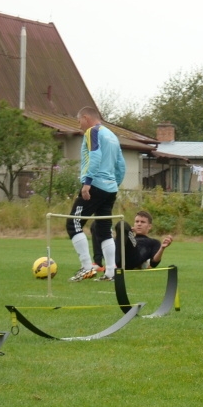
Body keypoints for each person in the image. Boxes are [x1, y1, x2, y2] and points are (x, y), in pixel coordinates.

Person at [65, 106, 125, 282]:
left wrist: (87, 183)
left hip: (95, 185)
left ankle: (86, 267)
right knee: (103, 229)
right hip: (110, 188)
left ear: (85, 117)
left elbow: (95, 156)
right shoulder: (112, 136)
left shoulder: (92, 131)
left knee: (73, 223)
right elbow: (121, 165)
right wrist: (115, 185)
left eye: (79, 121)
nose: (79, 126)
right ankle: (111, 272)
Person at [99, 210, 172, 276]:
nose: (139, 224)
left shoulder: (153, 242)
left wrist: (162, 248)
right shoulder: (130, 237)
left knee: (122, 224)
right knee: (96, 225)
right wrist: (126, 232)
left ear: (149, 226)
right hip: (122, 256)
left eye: (142, 222)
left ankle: (113, 266)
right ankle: (98, 263)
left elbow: (154, 263)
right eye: (137, 222)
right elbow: (117, 244)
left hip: (135, 257)